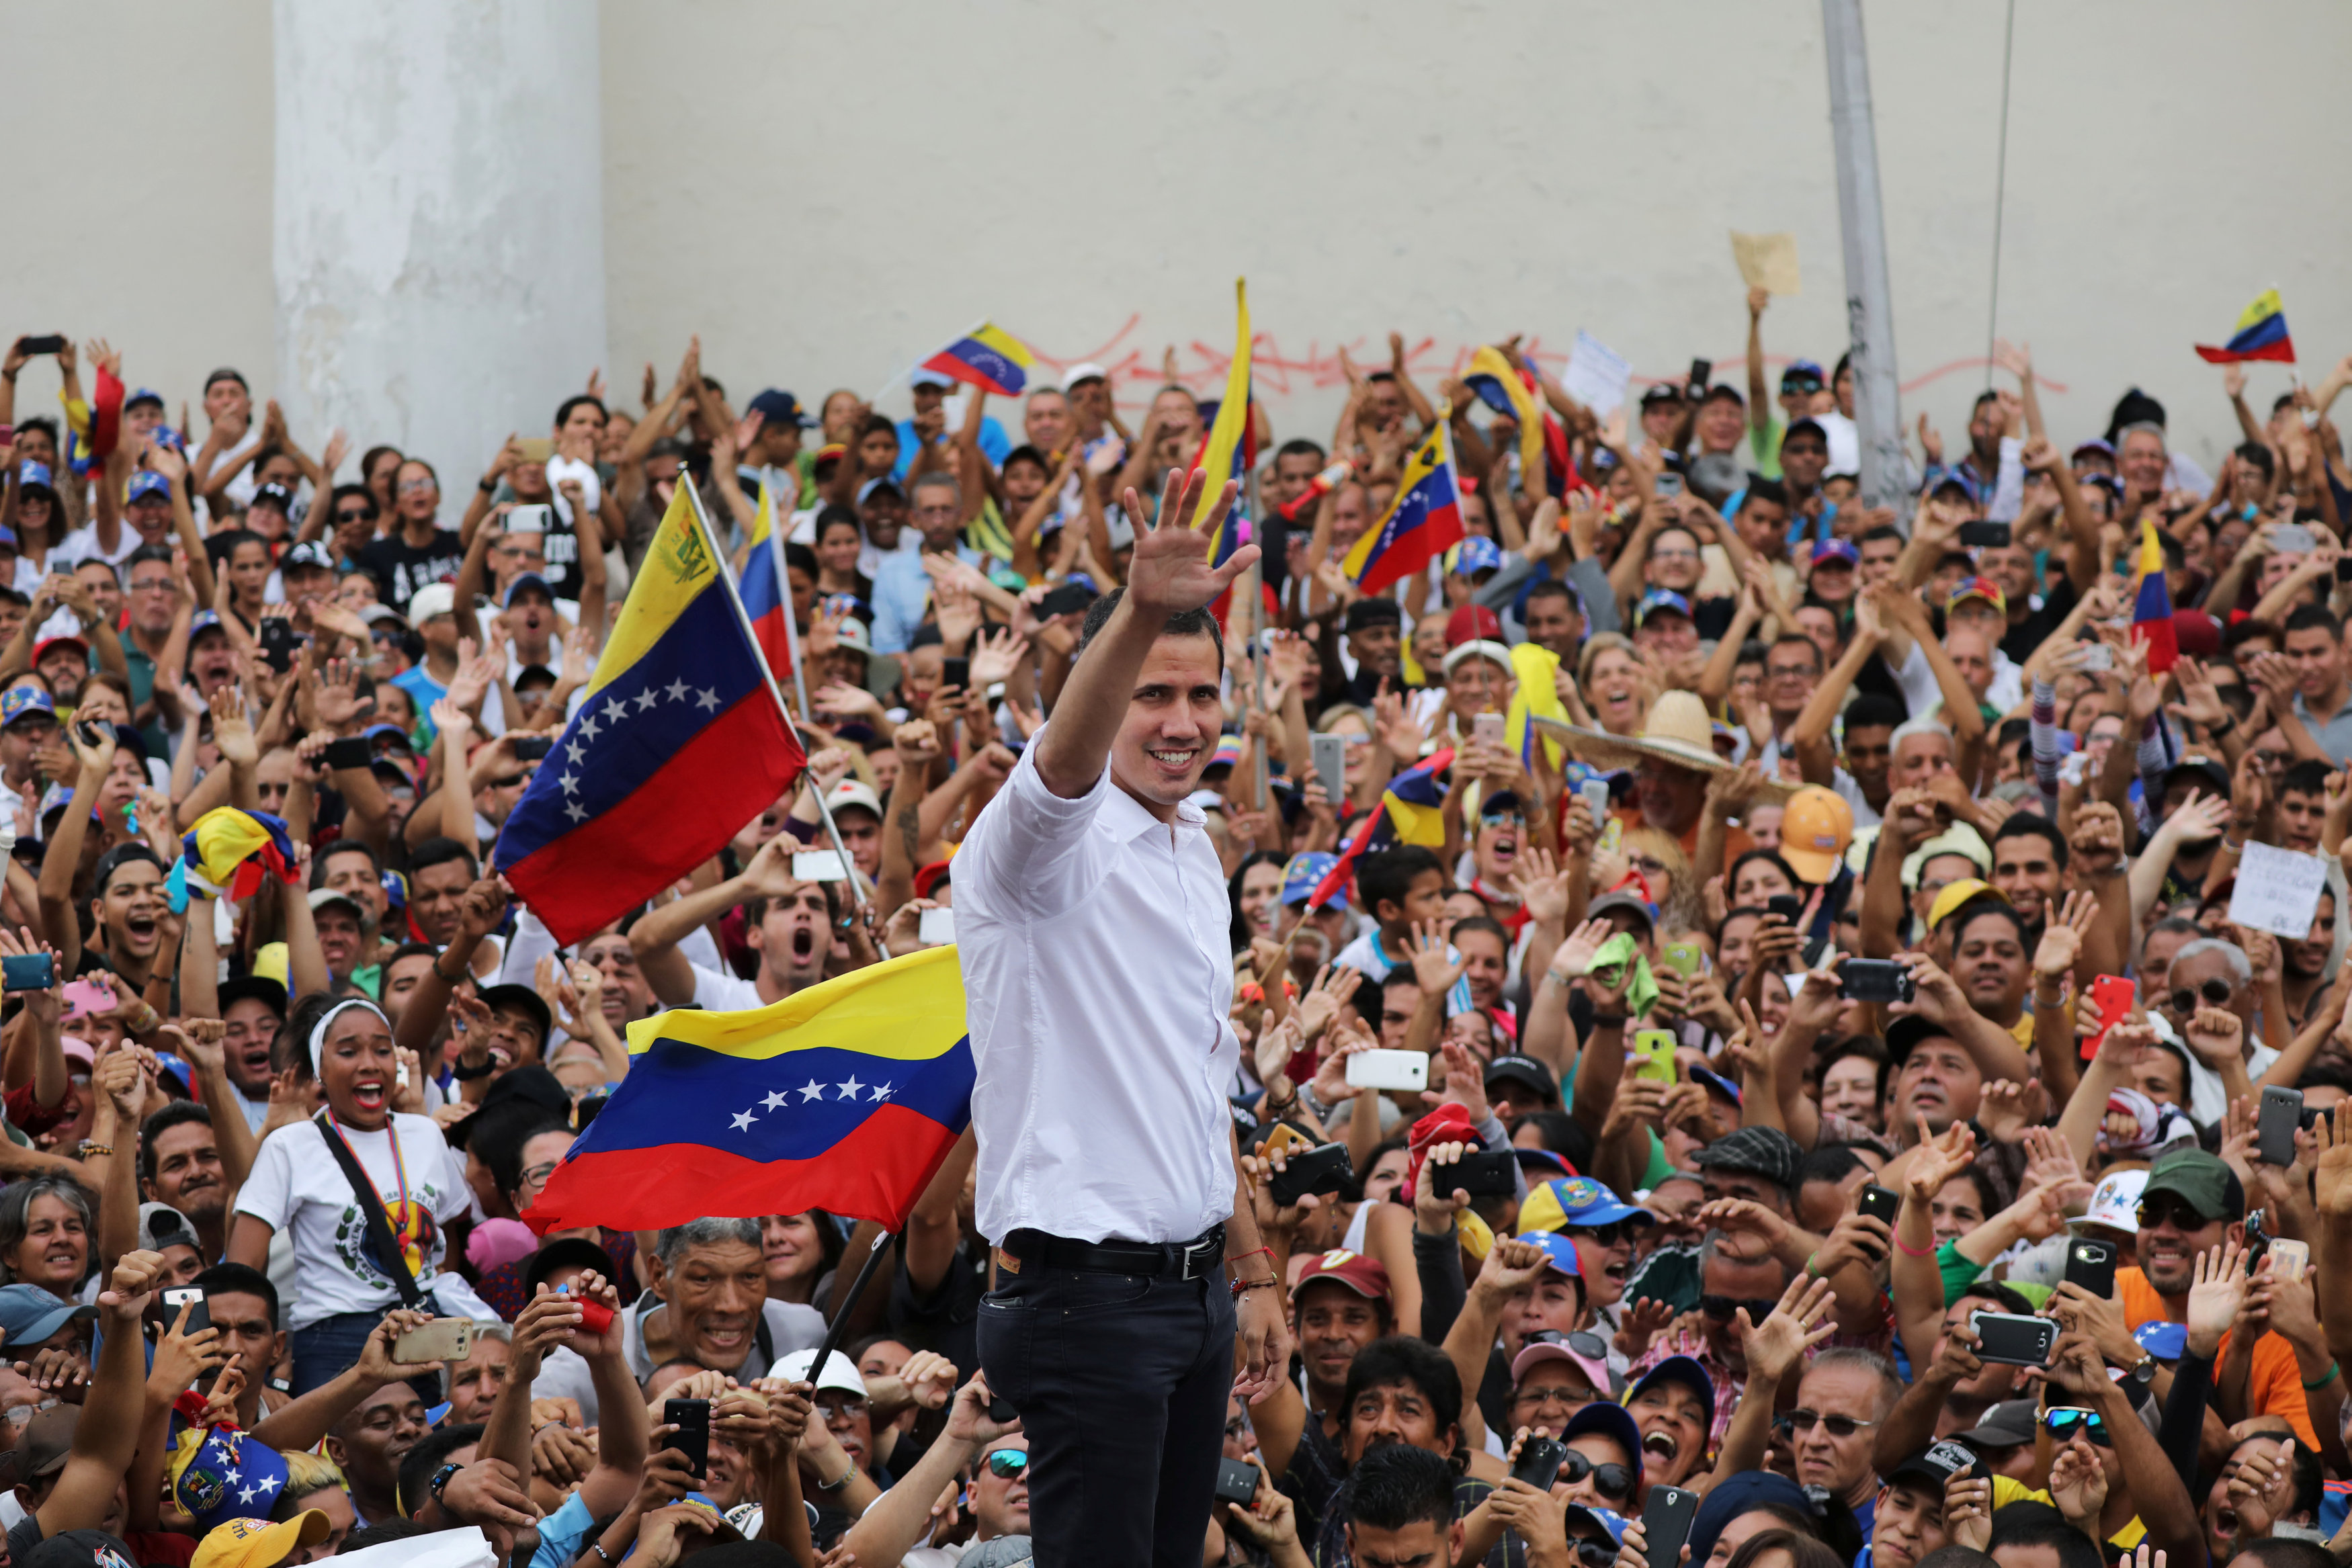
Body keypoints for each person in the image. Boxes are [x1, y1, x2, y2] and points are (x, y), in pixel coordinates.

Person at [958, 467, 1286, 1567]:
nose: (1183, 723)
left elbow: (1190, 1086)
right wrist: (1139, 610)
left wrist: (1251, 1268)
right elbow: (1060, 765)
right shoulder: (1042, 842)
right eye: (1152, 692)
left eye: (1202, 695)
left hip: (1192, 1301)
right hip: (1085, 1302)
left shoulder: (1193, 845)